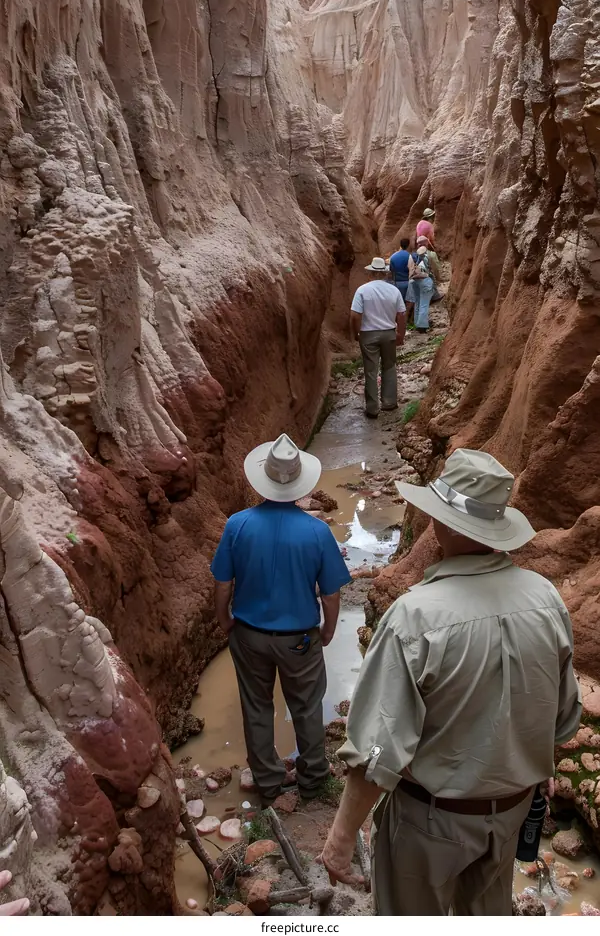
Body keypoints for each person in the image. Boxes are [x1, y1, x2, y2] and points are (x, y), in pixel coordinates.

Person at [319, 448, 581, 916]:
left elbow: (378, 750)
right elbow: (562, 720)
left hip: (430, 823)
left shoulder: (415, 617)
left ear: (443, 524)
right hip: (512, 813)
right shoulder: (546, 600)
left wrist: (341, 838)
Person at [211, 434, 351, 804]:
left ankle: (269, 782)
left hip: (248, 633)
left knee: (256, 706)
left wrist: (224, 620)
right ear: (299, 483)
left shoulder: (236, 525)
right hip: (300, 638)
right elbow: (331, 593)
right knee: (306, 706)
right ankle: (313, 780)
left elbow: (223, 584)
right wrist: (328, 630)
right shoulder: (317, 531)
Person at [350, 257, 406, 418]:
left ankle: (372, 408)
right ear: (385, 273)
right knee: (389, 367)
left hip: (368, 334)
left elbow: (355, 315)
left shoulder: (362, 290)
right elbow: (401, 315)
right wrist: (400, 334)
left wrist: (356, 333)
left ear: (371, 273)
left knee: (371, 371)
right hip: (389, 332)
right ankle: (389, 402)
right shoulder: (393, 290)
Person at [408, 242, 440, 332]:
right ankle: (422, 326)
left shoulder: (412, 257)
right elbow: (435, 269)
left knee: (417, 302)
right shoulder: (428, 256)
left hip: (413, 281)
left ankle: (416, 323)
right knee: (424, 303)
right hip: (425, 280)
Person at [388, 239, 414, 304]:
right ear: (408, 245)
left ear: (400, 245)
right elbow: (411, 271)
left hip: (396, 283)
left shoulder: (393, 256)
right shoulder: (409, 256)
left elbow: (391, 270)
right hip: (406, 283)